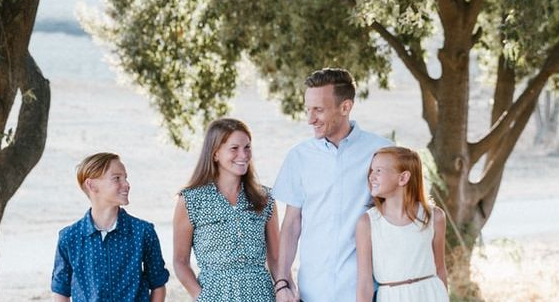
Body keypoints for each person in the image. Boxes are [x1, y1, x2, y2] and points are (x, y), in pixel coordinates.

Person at [273, 67, 392, 302]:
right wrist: (282, 282)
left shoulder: (382, 152)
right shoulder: (299, 157)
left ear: (345, 107)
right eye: (308, 109)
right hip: (312, 292)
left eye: (318, 110)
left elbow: (401, 216)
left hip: (368, 292)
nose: (310, 119)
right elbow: (291, 225)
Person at [173, 117, 280, 301]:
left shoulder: (265, 198)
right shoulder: (191, 200)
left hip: (262, 295)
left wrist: (284, 288)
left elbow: (277, 259)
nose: (244, 155)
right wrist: (202, 296)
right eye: (234, 148)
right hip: (214, 295)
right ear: (215, 154)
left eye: (247, 147)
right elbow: (180, 261)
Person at [51, 152, 169, 301]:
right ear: (91, 185)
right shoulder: (69, 237)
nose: (126, 184)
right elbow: (61, 290)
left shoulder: (143, 232)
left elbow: (158, 283)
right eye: (117, 178)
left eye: (126, 178)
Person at [356, 146, 449, 302]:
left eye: (379, 170)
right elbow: (364, 281)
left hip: (431, 295)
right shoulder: (367, 222)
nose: (371, 176)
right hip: (391, 297)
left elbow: (440, 269)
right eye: (371, 170)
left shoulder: (434, 216)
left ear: (403, 178)